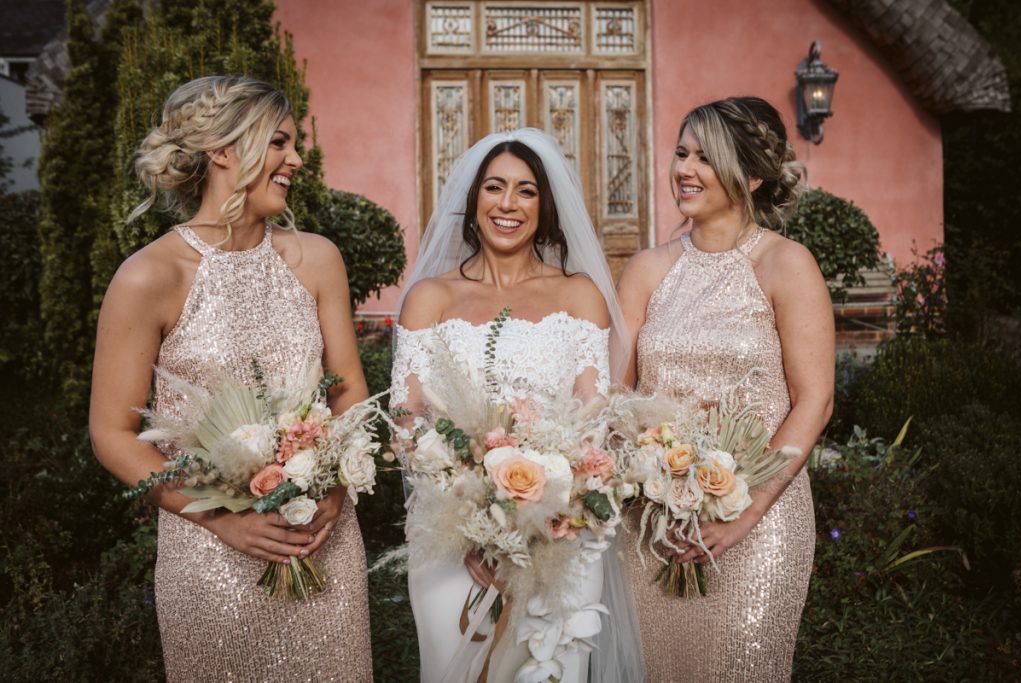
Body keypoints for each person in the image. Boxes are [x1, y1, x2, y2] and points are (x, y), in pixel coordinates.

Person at [89, 76, 372, 681]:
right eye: (278, 142)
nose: (296, 159)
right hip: (209, 556)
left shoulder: (318, 258)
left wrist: (336, 489)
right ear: (221, 151)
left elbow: (348, 388)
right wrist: (221, 519)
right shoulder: (148, 277)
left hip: (323, 540)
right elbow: (112, 433)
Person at [390, 128, 642, 682]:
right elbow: (405, 423)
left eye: (526, 191)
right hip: (448, 536)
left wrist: (533, 522)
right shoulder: (430, 297)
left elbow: (592, 426)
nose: (508, 204)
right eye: (494, 188)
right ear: (474, 200)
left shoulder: (580, 295)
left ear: (546, 205)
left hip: (561, 534)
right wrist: (475, 522)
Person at [615, 96, 834, 681]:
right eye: (682, 153)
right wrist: (645, 477)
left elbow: (815, 399)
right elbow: (616, 394)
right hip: (652, 523)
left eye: (706, 158)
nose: (685, 169)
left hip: (761, 520)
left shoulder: (787, 265)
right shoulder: (646, 269)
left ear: (753, 174)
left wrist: (746, 514)